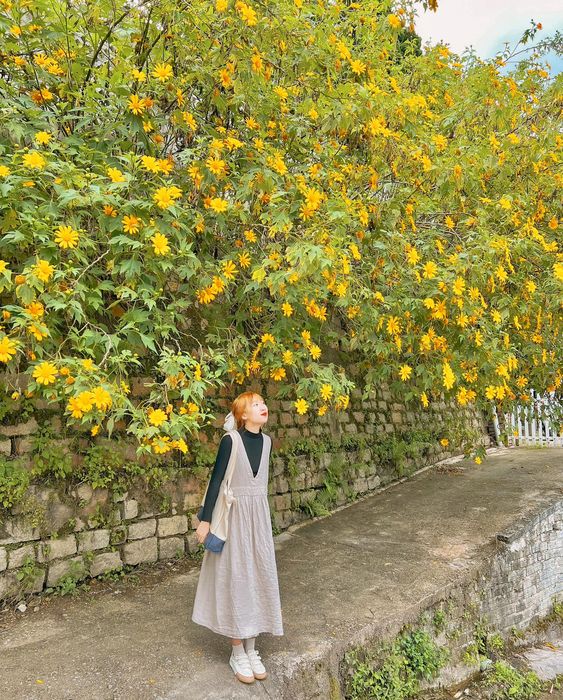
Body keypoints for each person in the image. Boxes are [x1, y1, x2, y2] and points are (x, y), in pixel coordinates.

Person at [191, 391, 284, 684]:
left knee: (259, 577)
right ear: (242, 415)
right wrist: (205, 522)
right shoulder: (231, 441)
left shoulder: (267, 442)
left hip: (258, 521)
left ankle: (252, 648)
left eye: (262, 403)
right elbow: (216, 479)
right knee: (237, 579)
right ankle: (236, 651)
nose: (262, 407)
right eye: (255, 404)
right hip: (234, 520)